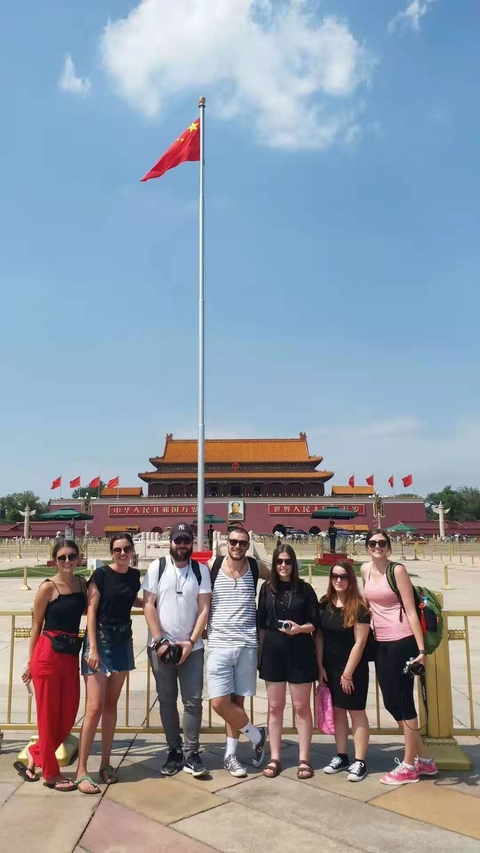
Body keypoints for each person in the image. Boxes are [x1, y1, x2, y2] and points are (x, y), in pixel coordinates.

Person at [362, 529, 437, 785]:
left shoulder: (398, 571)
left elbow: (412, 612)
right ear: (366, 546)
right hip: (381, 643)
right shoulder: (364, 570)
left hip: (402, 641)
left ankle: (408, 765)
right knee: (390, 702)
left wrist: (421, 651)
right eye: (372, 543)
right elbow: (366, 606)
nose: (377, 547)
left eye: (382, 543)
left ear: (389, 546)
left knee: (404, 700)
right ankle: (425, 760)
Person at [14, 540, 86, 791]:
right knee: (47, 717)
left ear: (79, 558)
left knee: (67, 715)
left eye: (72, 556)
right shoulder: (48, 587)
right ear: (54, 560)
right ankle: (51, 775)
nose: (67, 561)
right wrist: (31, 662)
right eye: (62, 557)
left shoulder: (82, 585)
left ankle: (35, 754)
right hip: (47, 656)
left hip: (69, 656)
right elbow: (36, 627)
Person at [143, 522, 211, 778]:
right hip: (161, 647)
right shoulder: (157, 567)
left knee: (193, 701)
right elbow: (149, 605)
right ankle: (174, 751)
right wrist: (160, 641)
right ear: (170, 542)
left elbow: (204, 608)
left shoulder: (199, 570)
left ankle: (192, 752)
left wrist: (191, 642)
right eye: (177, 541)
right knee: (167, 700)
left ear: (191, 543)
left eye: (186, 541)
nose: (181, 546)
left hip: (191, 648)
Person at [75, 532, 142, 794]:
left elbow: (130, 600)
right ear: (111, 552)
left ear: (132, 551)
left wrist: (155, 603)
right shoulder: (101, 575)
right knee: (93, 708)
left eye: (126, 549)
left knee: (111, 705)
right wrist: (92, 647)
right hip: (99, 641)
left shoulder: (134, 576)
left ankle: (105, 764)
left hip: (122, 640)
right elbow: (91, 610)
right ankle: (82, 768)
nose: (122, 553)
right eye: (117, 550)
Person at [206, 526, 269, 777]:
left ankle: (230, 756)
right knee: (219, 702)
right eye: (233, 542)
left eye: (242, 543)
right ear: (226, 543)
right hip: (219, 644)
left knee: (237, 703)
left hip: (246, 644)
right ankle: (257, 735)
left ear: (248, 545)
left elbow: (281, 577)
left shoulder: (255, 567)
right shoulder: (212, 566)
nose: (237, 547)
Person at [258, 544, 320, 780]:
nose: (283, 566)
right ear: (273, 565)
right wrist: (260, 655)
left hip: (300, 652)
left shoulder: (305, 589)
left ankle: (304, 758)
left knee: (301, 707)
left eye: (287, 561)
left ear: (294, 564)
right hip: (273, 653)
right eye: (278, 562)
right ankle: (275, 756)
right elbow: (262, 624)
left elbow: (316, 622)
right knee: (275, 707)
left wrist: (300, 629)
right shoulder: (267, 589)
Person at [318, 561, 370, 782]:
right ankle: (342, 755)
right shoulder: (325, 604)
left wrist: (347, 673)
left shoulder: (359, 606)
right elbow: (318, 635)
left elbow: (360, 642)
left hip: (353, 668)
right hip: (330, 667)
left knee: (356, 712)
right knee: (338, 711)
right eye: (335, 576)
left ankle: (360, 761)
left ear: (351, 579)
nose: (338, 580)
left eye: (343, 576)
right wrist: (319, 665)